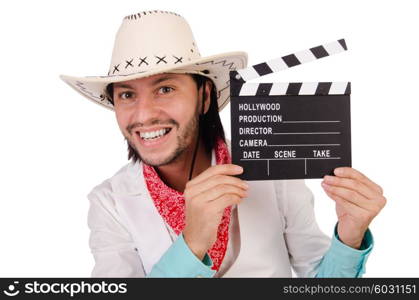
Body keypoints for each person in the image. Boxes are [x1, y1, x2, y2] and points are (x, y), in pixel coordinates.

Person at [60, 10, 386, 278]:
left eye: (165, 89)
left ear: (204, 97)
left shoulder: (275, 174)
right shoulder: (110, 203)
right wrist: (193, 241)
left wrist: (350, 235)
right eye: (127, 95)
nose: (144, 115)